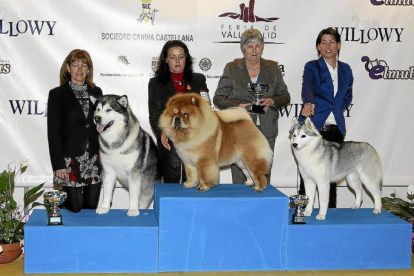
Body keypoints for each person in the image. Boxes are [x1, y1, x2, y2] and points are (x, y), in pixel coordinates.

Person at [213, 28, 290, 185]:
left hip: (266, 128)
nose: (254, 50)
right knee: (240, 176)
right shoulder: (232, 68)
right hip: (239, 129)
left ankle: (263, 207)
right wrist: (237, 107)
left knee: (262, 173)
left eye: (258, 45)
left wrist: (272, 101)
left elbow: (285, 96)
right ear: (243, 48)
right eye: (250, 46)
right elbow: (218, 98)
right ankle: (239, 207)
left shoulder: (273, 68)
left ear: (262, 47)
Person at [299, 27, 354, 208]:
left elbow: (347, 95)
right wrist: (309, 103)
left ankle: (329, 216)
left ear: (338, 45)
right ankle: (303, 214)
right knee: (307, 175)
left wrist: (337, 108)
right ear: (318, 46)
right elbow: (308, 87)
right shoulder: (312, 66)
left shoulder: (346, 69)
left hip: (336, 129)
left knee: (330, 178)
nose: (328, 45)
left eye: (332, 41)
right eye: (324, 42)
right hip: (314, 129)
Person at [47, 49, 103, 213]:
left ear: (88, 69)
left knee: (91, 208)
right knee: (74, 207)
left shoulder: (97, 92)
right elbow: (53, 132)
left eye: (84, 65)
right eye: (75, 64)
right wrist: (58, 165)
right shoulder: (57, 94)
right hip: (69, 162)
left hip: (94, 159)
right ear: (68, 68)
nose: (79, 69)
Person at [148, 40, 209, 183]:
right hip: (169, 139)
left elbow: (205, 108)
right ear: (165, 59)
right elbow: (155, 113)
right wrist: (161, 132)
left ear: (186, 59)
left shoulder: (198, 79)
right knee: (171, 183)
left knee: (195, 183)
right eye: (172, 57)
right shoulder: (155, 83)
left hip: (195, 140)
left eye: (181, 56)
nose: (177, 61)